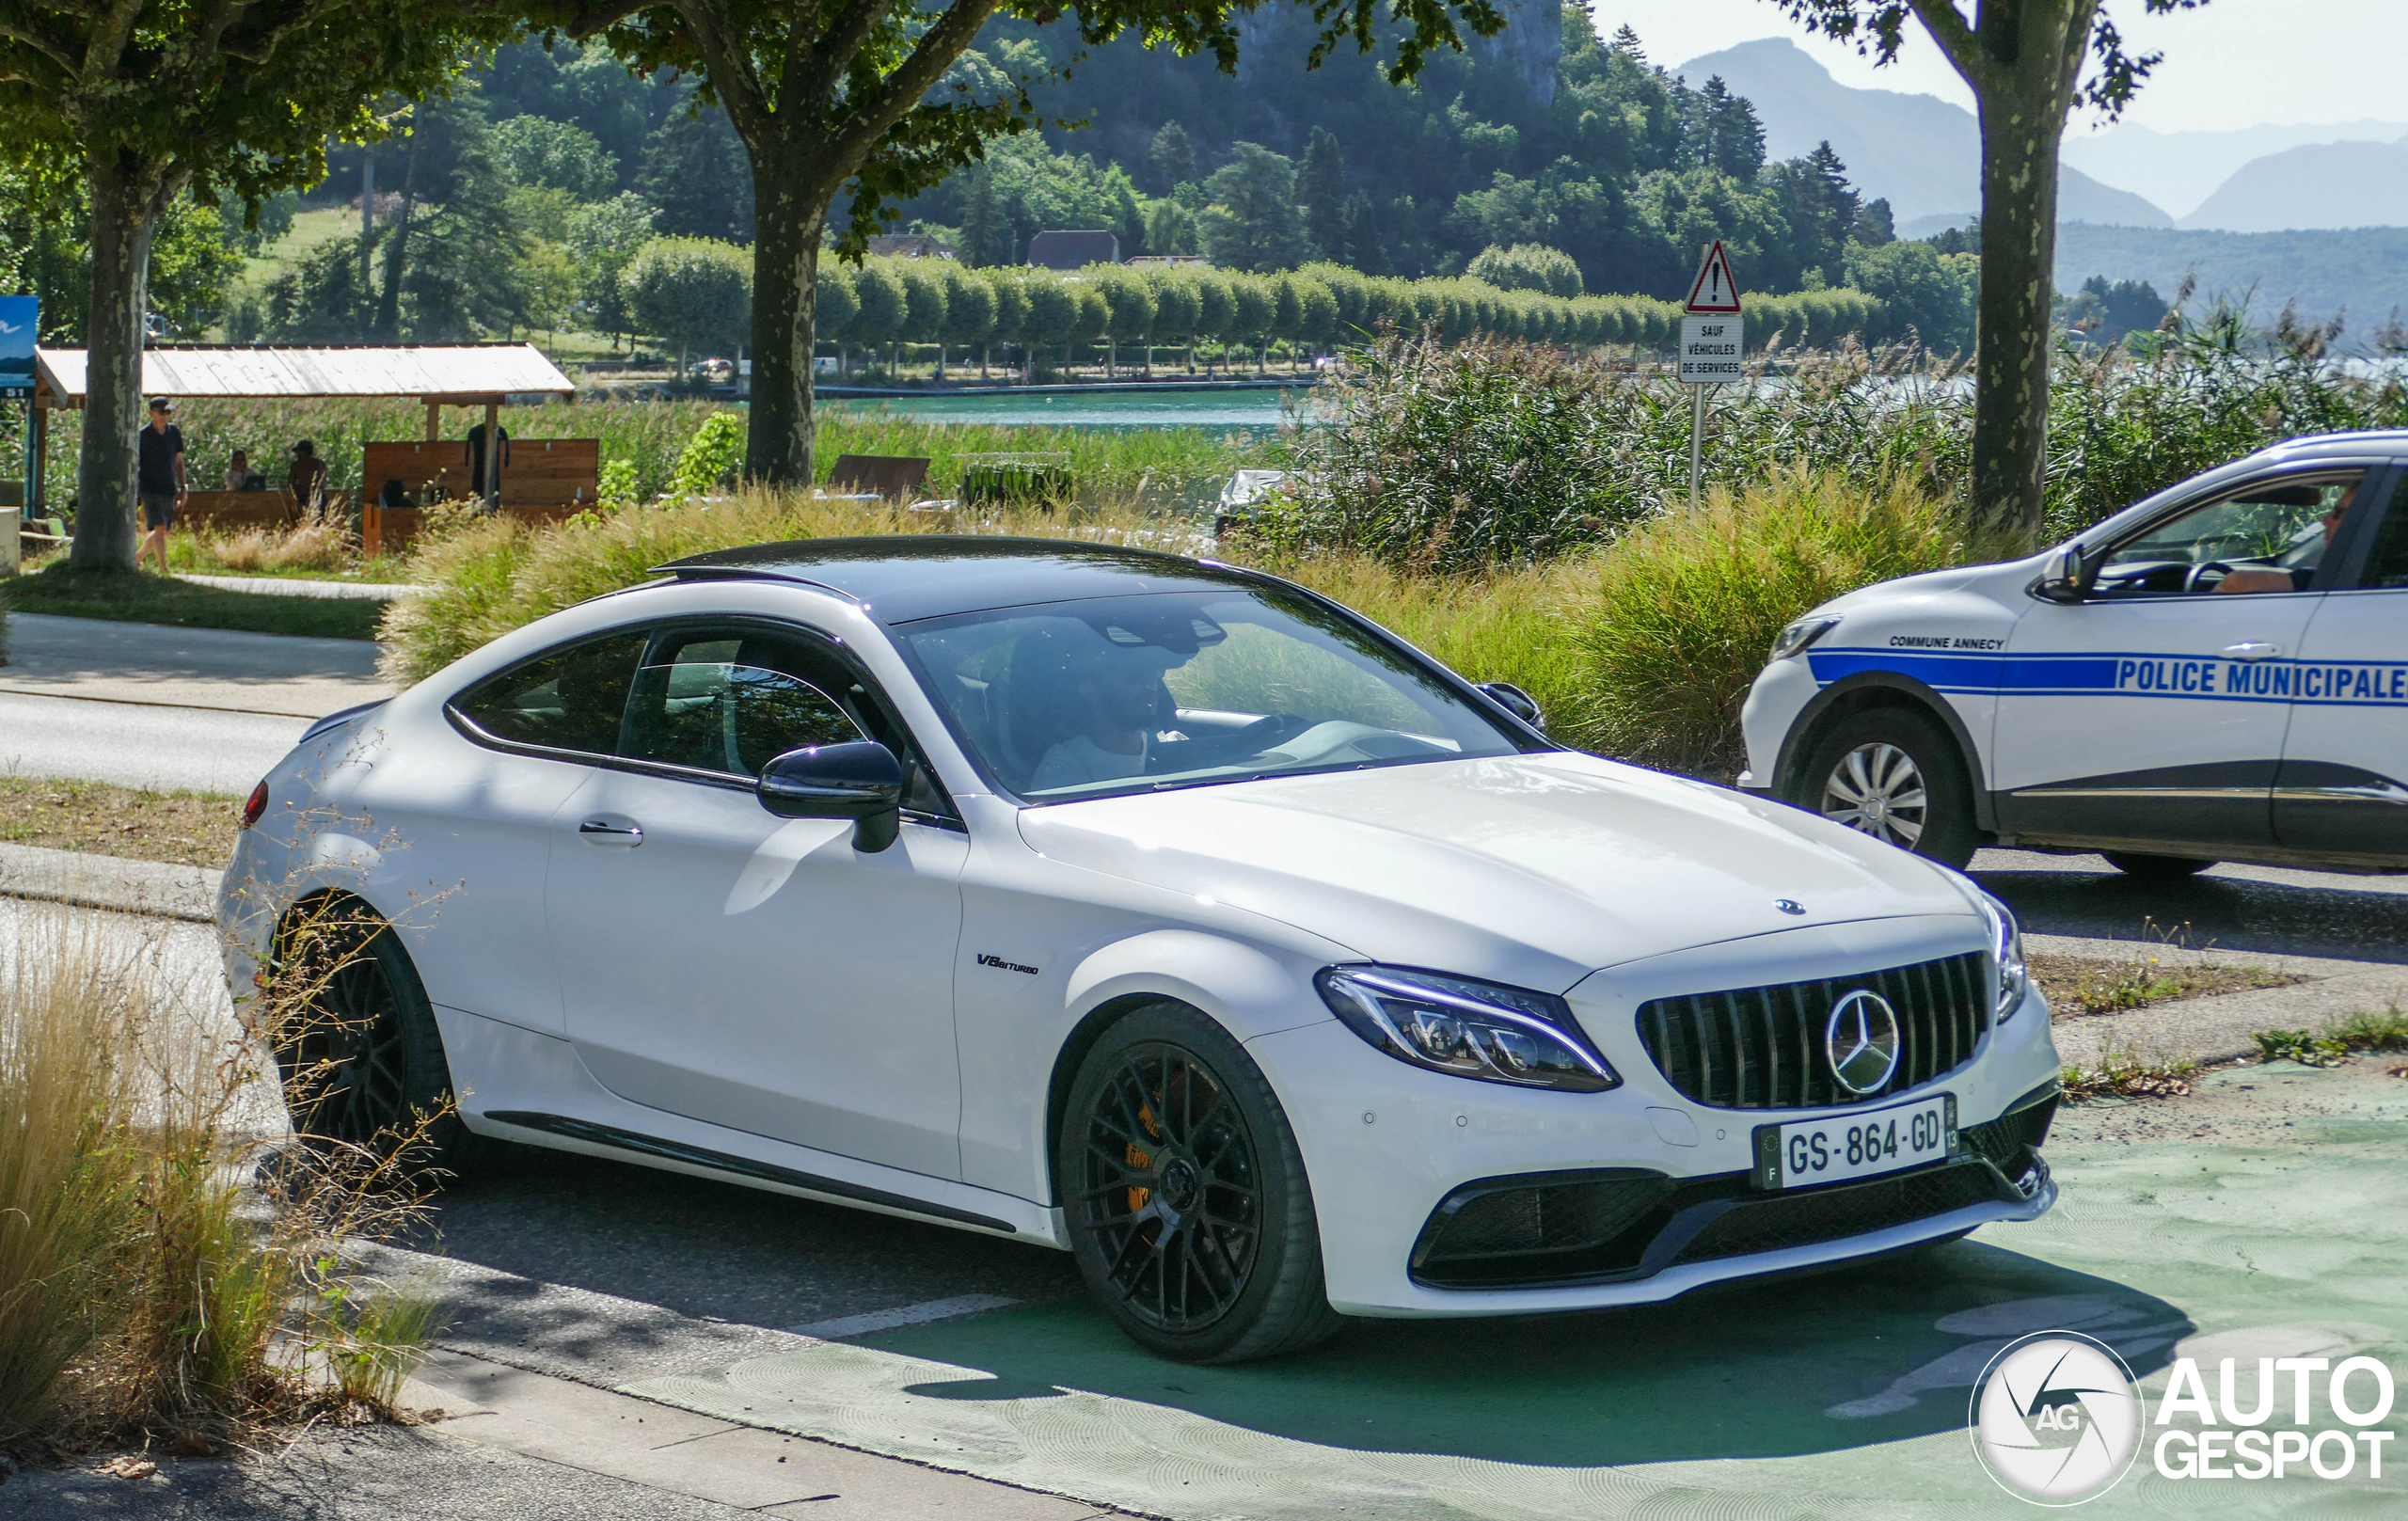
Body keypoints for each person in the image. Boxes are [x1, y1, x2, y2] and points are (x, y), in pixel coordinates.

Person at [1029, 644, 1173, 790]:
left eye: (1153, 672)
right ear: (1090, 690)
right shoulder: (1065, 765)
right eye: (1133, 673)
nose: (1148, 682)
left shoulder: (1173, 745)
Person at [2216, 482, 2355, 594]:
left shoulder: (2348, 583)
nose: (2325, 520)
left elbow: (2238, 582)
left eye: (2337, 513)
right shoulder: (2360, 578)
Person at [135, 397, 185, 573]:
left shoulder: (174, 433)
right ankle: (163, 568)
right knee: (159, 526)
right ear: (151, 413)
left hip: (168, 486)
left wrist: (183, 487)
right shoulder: (142, 436)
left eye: (168, 412)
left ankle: (138, 556)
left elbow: (178, 461)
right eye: (161, 412)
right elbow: (135, 464)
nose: (165, 416)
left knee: (163, 530)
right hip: (149, 487)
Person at [465, 420, 511, 507]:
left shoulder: (497, 430)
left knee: (482, 489)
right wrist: (506, 462)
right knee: (483, 488)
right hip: (485, 466)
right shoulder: (496, 430)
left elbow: (507, 449)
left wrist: (506, 461)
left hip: (487, 466)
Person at [287, 439, 328, 516]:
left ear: (302, 452)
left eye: (298, 452)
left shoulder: (297, 465)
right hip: (320, 497)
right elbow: (323, 481)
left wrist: (295, 496)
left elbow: (290, 483)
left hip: (303, 497)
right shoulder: (320, 463)